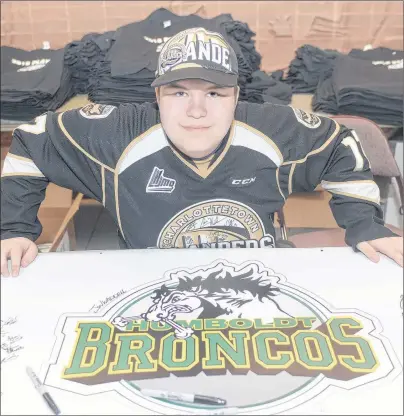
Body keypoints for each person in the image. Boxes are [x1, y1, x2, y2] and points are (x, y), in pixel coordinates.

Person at [1, 27, 402, 277]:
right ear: (157, 95)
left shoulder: (271, 128)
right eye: (179, 92)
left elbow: (340, 143)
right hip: (150, 288)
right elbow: (31, 140)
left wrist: (364, 223)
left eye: (214, 93)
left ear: (236, 97)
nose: (196, 110)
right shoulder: (117, 134)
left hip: (260, 280)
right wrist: (15, 230)